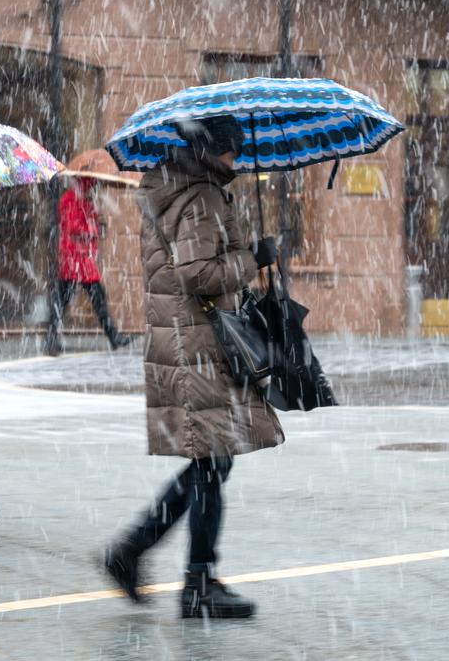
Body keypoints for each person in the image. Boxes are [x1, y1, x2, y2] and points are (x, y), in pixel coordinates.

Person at [102, 115, 282, 619]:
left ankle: (145, 556)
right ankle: (191, 580)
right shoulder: (200, 197)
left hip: (183, 341)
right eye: (234, 150)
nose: (238, 160)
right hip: (198, 345)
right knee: (212, 460)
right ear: (215, 151)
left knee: (212, 461)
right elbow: (197, 272)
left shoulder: (175, 186)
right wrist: (251, 259)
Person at [46, 177, 130, 355]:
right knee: (67, 301)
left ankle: (112, 336)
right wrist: (92, 226)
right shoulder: (70, 200)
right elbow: (73, 227)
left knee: (70, 301)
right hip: (74, 259)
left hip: (81, 259)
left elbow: (85, 225)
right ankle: (112, 337)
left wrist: (96, 221)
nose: (92, 189)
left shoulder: (83, 201)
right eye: (90, 185)